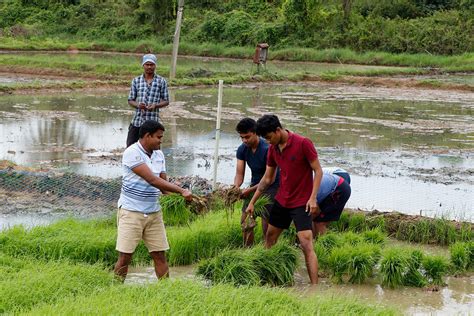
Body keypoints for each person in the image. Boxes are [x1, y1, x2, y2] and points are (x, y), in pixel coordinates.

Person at [245, 114, 323, 285]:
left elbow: (318, 171)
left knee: (305, 243)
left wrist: (313, 198)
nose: (267, 141)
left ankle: (315, 288)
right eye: (264, 139)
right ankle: (267, 278)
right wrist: (252, 202)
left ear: (278, 130)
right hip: (282, 200)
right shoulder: (273, 149)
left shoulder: (303, 143)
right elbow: (267, 179)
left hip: (302, 202)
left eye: (269, 137)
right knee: (269, 238)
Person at [114, 120, 192, 281]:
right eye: (158, 137)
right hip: (131, 212)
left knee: (160, 255)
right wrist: (182, 191)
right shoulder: (132, 152)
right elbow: (153, 180)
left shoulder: (159, 155)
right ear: (147, 136)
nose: (160, 141)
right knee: (125, 257)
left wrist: (181, 198)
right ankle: (115, 290)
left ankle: (166, 291)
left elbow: (163, 186)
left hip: (154, 213)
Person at [233, 118, 279, 246]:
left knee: (266, 225)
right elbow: (239, 174)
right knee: (245, 222)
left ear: (255, 133)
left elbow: (270, 179)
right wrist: (236, 187)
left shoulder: (267, 149)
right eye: (241, 137)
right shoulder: (242, 149)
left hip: (272, 187)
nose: (244, 140)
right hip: (255, 185)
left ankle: (268, 253)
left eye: (247, 137)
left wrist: (249, 190)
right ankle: (247, 252)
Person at [126, 53, 169, 147]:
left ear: (155, 66)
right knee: (130, 147)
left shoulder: (161, 81)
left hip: (153, 122)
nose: (149, 67)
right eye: (147, 64)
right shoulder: (136, 81)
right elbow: (130, 100)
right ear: (143, 65)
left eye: (151, 64)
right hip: (137, 121)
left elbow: (166, 101)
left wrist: (155, 105)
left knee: (154, 150)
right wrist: (138, 105)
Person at [312, 167, 352, 237]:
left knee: (320, 221)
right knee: (317, 218)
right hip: (333, 180)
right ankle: (315, 240)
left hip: (339, 177)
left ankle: (321, 244)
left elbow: (315, 211)